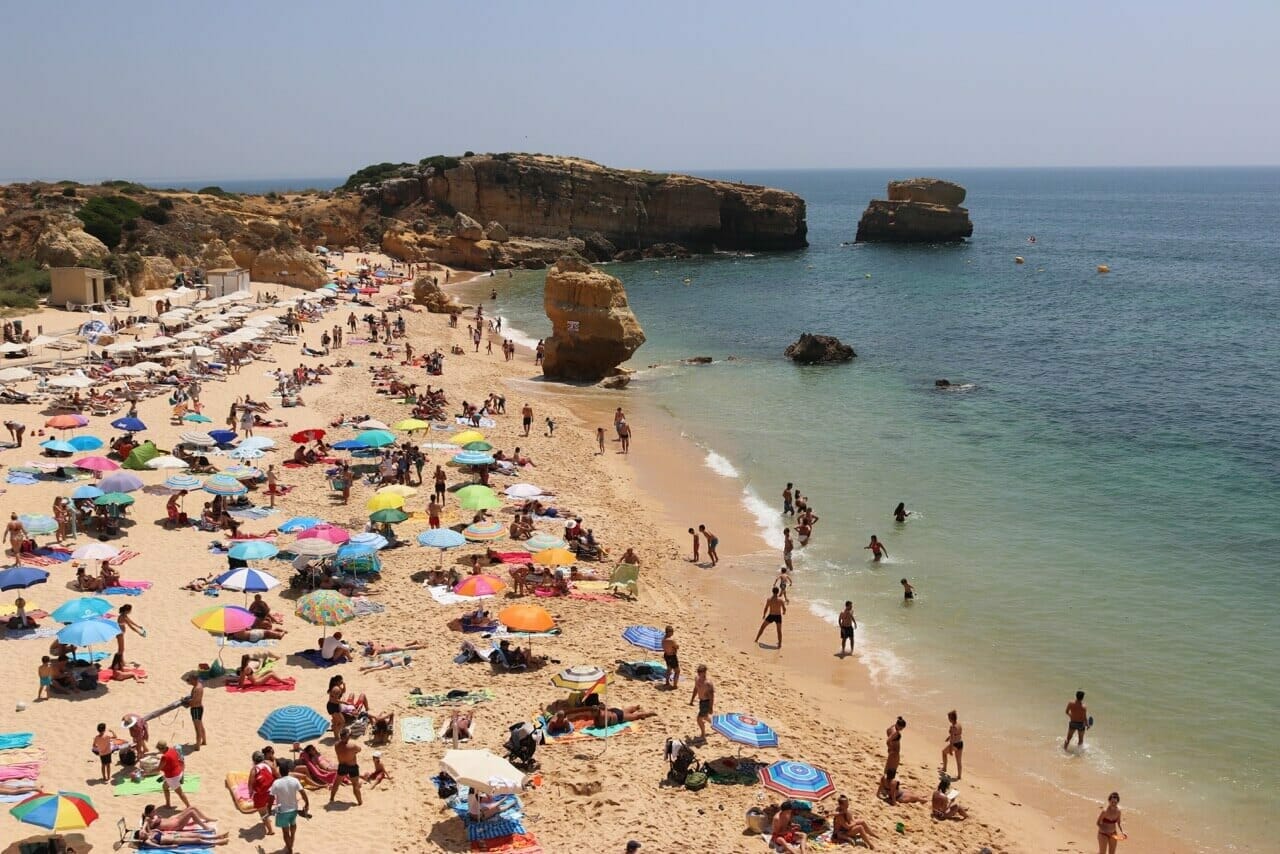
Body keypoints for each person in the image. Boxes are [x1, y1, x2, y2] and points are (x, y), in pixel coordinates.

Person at [270, 767, 310, 853]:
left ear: (280, 772)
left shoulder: (276, 782)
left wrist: (269, 809)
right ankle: (292, 839)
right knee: (293, 824)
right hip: (294, 810)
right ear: (288, 771)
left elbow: (271, 797)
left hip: (282, 811)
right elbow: (303, 792)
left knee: (285, 832)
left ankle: (290, 850)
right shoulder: (294, 780)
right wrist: (307, 803)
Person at [330, 727, 363, 805]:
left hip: (342, 766)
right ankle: (360, 802)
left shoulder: (336, 745)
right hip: (352, 767)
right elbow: (359, 750)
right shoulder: (352, 745)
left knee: (336, 783)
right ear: (347, 736)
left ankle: (331, 798)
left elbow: (343, 750)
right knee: (355, 785)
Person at [250, 749, 278, 836]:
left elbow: (250, 783)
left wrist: (250, 795)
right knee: (265, 807)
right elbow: (277, 775)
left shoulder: (254, 769)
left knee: (262, 812)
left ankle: (270, 830)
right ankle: (268, 820)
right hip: (270, 791)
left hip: (261, 794)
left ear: (254, 760)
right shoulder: (268, 765)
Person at [156, 740, 190, 808]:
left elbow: (158, 769)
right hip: (179, 771)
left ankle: (188, 806)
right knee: (165, 786)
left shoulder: (164, 757)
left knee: (180, 793)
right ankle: (168, 804)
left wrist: (145, 772)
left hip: (172, 777)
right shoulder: (172, 750)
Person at [878, 717, 906, 799]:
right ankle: (887, 787)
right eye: (902, 728)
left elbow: (887, 731)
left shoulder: (892, 727)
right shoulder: (896, 733)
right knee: (892, 770)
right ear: (900, 726)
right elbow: (888, 741)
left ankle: (884, 786)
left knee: (887, 769)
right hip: (894, 753)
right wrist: (890, 748)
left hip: (892, 753)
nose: (901, 730)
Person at [141, 804, 216, 832]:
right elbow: (145, 826)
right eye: (154, 811)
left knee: (192, 807)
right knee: (191, 812)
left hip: (174, 819)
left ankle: (206, 818)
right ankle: (205, 827)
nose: (156, 812)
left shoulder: (152, 816)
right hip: (176, 825)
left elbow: (144, 813)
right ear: (149, 813)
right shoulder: (148, 820)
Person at [689, 664, 714, 740]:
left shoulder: (708, 683)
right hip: (701, 701)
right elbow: (696, 689)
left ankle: (703, 735)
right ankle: (716, 726)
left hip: (706, 702)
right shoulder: (697, 678)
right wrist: (692, 700)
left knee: (699, 719)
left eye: (701, 672)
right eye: (698, 671)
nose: (699, 673)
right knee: (705, 717)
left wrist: (710, 707)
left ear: (705, 672)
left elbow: (711, 697)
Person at [184, 673, 207, 748]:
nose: (189, 681)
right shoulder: (199, 685)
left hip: (196, 709)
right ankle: (204, 741)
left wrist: (185, 702)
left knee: (197, 728)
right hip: (198, 708)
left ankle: (197, 745)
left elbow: (194, 701)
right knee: (200, 725)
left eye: (190, 680)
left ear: (194, 680)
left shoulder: (197, 689)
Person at [942, 710, 963, 779]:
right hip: (961, 743)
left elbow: (953, 739)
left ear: (951, 718)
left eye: (948, 718)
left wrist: (951, 749)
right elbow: (957, 734)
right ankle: (959, 776)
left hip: (955, 744)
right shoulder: (959, 724)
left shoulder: (953, 727)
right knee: (959, 761)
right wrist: (948, 737)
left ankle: (944, 768)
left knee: (944, 752)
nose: (948, 719)